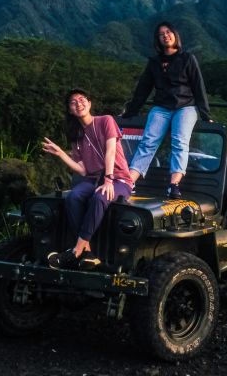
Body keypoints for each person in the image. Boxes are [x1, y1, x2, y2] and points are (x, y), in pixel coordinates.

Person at [42, 88, 133, 270]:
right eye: (73, 102)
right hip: (92, 179)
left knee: (100, 197)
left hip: (119, 179)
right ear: (70, 110)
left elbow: (111, 152)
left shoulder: (106, 121)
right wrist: (61, 153)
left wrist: (108, 179)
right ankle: (88, 252)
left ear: (90, 104)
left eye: (82, 99)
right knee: (74, 196)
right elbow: (83, 170)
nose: (79, 103)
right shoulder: (76, 136)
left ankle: (75, 251)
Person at [122, 21, 211, 199]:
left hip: (185, 106)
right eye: (161, 34)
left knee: (179, 141)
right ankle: (129, 182)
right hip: (162, 107)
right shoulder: (154, 62)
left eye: (169, 32)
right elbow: (143, 89)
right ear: (158, 40)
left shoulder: (187, 58)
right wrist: (130, 112)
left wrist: (205, 114)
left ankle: (174, 184)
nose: (166, 35)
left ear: (175, 35)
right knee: (148, 141)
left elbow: (198, 86)